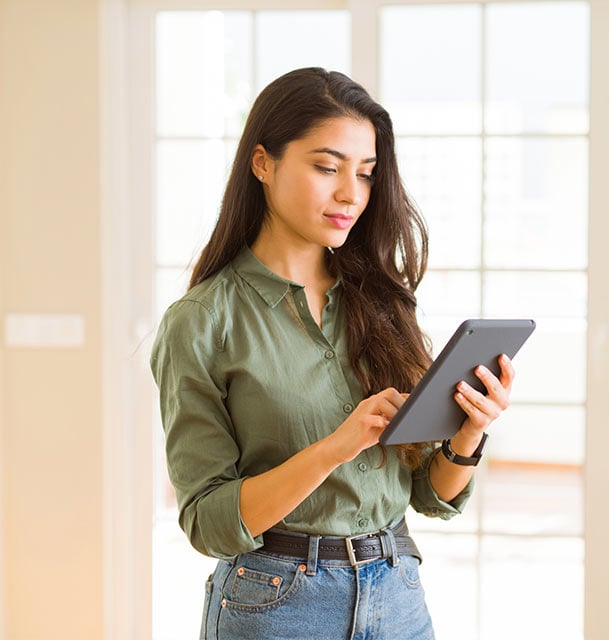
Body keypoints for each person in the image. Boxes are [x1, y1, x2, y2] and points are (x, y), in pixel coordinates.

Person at [150, 67, 514, 640]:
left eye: (366, 174)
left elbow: (427, 495)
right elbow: (208, 523)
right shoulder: (201, 323)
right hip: (276, 604)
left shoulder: (381, 302)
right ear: (263, 163)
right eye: (326, 167)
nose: (351, 193)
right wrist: (334, 449)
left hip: (397, 591)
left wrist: (467, 436)